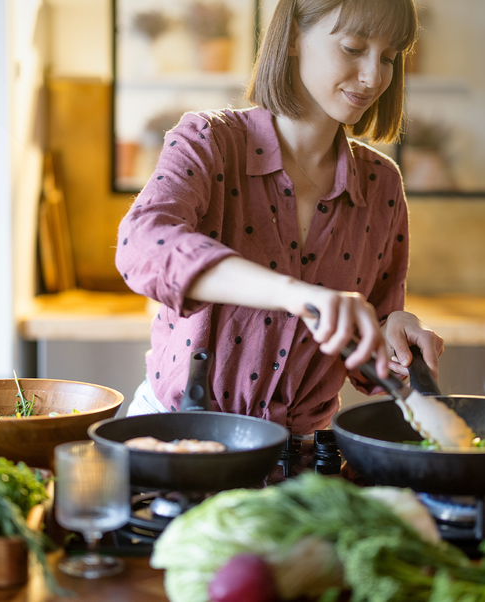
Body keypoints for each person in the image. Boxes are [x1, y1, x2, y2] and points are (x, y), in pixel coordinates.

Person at [114, 0, 443, 435]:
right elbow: (142, 244)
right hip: (180, 441)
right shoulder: (209, 142)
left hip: (299, 460)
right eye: (352, 47)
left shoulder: (381, 185)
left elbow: (365, 363)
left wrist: (394, 331)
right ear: (291, 39)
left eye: (388, 57)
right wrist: (295, 294)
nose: (373, 76)